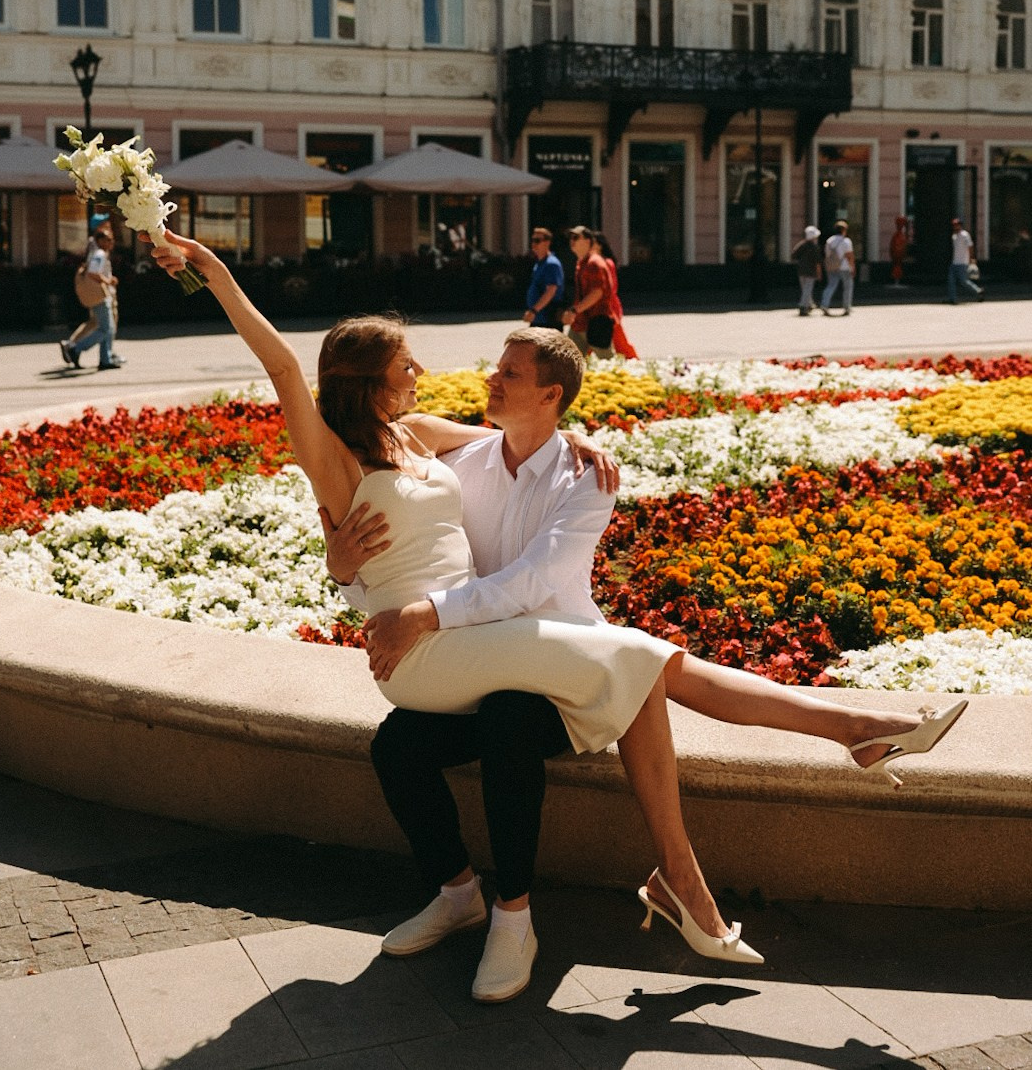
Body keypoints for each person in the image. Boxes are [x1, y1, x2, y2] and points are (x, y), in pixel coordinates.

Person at [147, 229, 968, 1000]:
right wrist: (209, 268)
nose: (422, 373)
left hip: (462, 637)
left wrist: (567, 440)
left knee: (640, 661)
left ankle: (525, 897)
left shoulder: (419, 437)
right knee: (642, 658)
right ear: (368, 377)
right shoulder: (332, 450)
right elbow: (284, 366)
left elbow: (507, 434)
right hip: (423, 654)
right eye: (406, 364)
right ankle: (839, 739)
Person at [60, 218, 125, 370]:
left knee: (106, 328)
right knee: (105, 329)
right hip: (100, 295)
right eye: (109, 239)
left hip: (99, 294)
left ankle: (105, 359)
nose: (111, 243)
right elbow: (93, 273)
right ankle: (76, 348)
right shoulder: (100, 253)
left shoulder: (97, 251)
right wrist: (108, 281)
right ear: (101, 240)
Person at [562, 225, 615, 359]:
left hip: (596, 321)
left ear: (587, 241)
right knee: (568, 360)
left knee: (608, 362)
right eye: (571, 238)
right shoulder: (582, 262)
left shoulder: (594, 263)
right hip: (581, 323)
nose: (571, 241)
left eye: (576, 237)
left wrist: (575, 310)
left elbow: (597, 293)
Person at [592, 231, 638, 357]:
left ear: (600, 245)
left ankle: (633, 362)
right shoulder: (591, 262)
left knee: (618, 341)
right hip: (596, 309)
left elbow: (610, 288)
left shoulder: (606, 263)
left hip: (608, 308)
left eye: (593, 243)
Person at [522, 226, 564, 328]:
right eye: (532, 240)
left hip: (548, 318)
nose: (533, 244)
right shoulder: (539, 263)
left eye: (537, 240)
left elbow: (551, 291)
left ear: (547, 242)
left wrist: (534, 310)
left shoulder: (551, 264)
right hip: (539, 318)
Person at [820, 220, 855, 316]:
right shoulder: (846, 241)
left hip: (832, 266)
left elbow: (827, 255)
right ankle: (847, 307)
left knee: (831, 285)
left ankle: (824, 304)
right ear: (844, 230)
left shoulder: (829, 241)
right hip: (844, 267)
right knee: (847, 287)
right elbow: (849, 256)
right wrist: (852, 267)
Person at [948, 217, 984, 303]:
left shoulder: (965, 235)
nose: (955, 226)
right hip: (954, 262)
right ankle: (952, 299)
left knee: (964, 281)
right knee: (951, 281)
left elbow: (970, 246)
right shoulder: (954, 236)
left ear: (960, 225)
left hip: (962, 262)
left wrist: (971, 259)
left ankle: (978, 290)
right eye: (954, 225)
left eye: (956, 225)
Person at [790, 225, 822, 317]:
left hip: (801, 270)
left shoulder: (802, 244)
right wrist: (819, 273)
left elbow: (794, 255)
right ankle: (803, 306)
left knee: (805, 289)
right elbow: (817, 262)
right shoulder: (815, 247)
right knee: (807, 289)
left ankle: (809, 304)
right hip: (811, 271)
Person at [888, 215, 909, 289]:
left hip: (897, 255)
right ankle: (896, 279)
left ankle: (897, 279)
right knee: (897, 266)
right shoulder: (898, 236)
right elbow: (896, 246)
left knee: (897, 266)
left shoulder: (899, 235)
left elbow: (897, 246)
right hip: (897, 255)